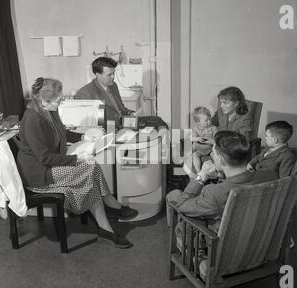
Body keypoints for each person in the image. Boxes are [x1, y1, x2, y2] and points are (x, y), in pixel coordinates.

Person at [17, 77, 138, 249]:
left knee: (91, 167)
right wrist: (76, 158)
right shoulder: (32, 119)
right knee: (89, 168)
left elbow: (61, 132)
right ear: (45, 101)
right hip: (39, 174)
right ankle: (109, 211)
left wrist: (83, 137)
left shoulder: (48, 110)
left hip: (49, 166)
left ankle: (108, 217)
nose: (62, 102)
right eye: (59, 100)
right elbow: (44, 158)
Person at [166, 131, 278, 233]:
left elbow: (182, 205)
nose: (211, 155)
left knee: (174, 195)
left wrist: (200, 177)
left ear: (221, 159)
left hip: (221, 244)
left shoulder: (214, 193)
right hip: (257, 235)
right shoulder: (270, 175)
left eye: (213, 152)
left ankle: (184, 240)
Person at [75, 57, 134, 129]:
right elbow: (91, 124)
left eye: (113, 73)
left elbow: (121, 108)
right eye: (109, 75)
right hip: (108, 131)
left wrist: (130, 113)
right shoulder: (85, 93)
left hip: (122, 125)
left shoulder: (113, 85)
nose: (113, 77)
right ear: (97, 75)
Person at [183, 106, 217, 176]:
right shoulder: (196, 129)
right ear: (198, 122)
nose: (209, 121)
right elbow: (191, 138)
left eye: (209, 119)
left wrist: (211, 141)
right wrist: (198, 138)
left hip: (210, 149)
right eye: (206, 120)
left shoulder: (213, 128)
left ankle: (217, 172)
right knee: (195, 155)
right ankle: (198, 172)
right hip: (199, 150)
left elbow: (216, 139)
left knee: (216, 155)